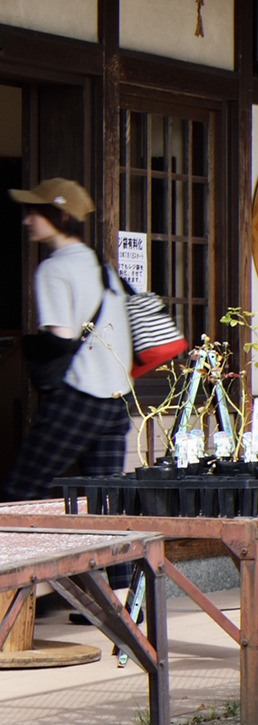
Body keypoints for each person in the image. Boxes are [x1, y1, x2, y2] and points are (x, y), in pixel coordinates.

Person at [5, 179, 133, 503]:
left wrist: (30, 348)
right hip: (116, 402)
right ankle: (122, 556)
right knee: (106, 502)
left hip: (79, 397)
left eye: (35, 212)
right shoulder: (103, 269)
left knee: (22, 491)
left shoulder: (53, 268)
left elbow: (61, 339)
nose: (27, 220)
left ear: (60, 216)